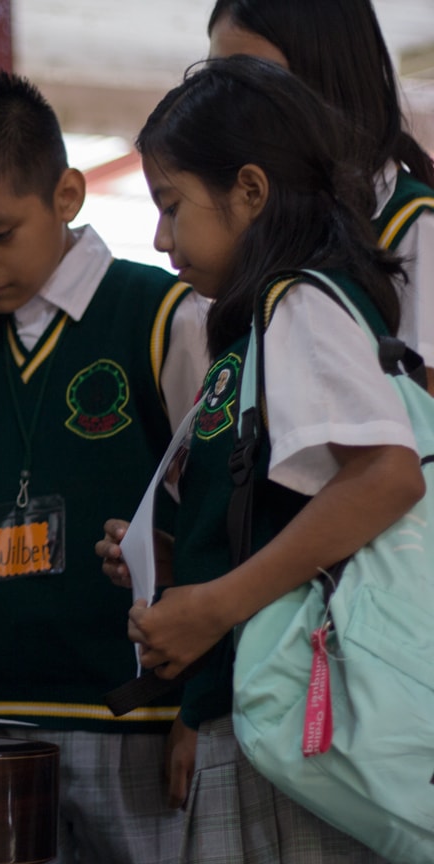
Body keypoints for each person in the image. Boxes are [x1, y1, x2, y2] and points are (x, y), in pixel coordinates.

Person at [97, 55, 421, 862]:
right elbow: (291, 508)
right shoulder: (263, 318)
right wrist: (186, 561)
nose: (159, 237)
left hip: (299, 727)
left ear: (249, 190)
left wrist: (214, 605)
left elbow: (386, 476)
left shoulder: (297, 303)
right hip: (260, 713)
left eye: (171, 206)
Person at [0, 67, 211, 863]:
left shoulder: (167, 318)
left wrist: (203, 706)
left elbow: (220, 517)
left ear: (67, 196)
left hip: (133, 715)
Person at [207, 0, 434, 366]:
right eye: (216, 78)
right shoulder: (266, 217)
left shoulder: (414, 228)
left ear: (327, 76)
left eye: (255, 78)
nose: (228, 103)